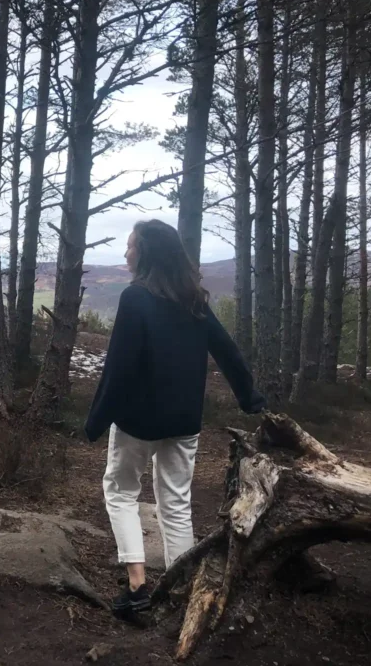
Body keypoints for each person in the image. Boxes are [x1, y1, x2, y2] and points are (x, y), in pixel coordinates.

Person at [84, 219, 265, 619]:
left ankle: (137, 588)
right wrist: (250, 398)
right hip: (184, 421)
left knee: (121, 492)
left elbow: (118, 369)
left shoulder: (135, 299)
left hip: (138, 422)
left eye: (131, 247)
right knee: (176, 505)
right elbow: (227, 351)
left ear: (145, 253)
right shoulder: (193, 300)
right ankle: (182, 590)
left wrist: (96, 422)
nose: (126, 253)